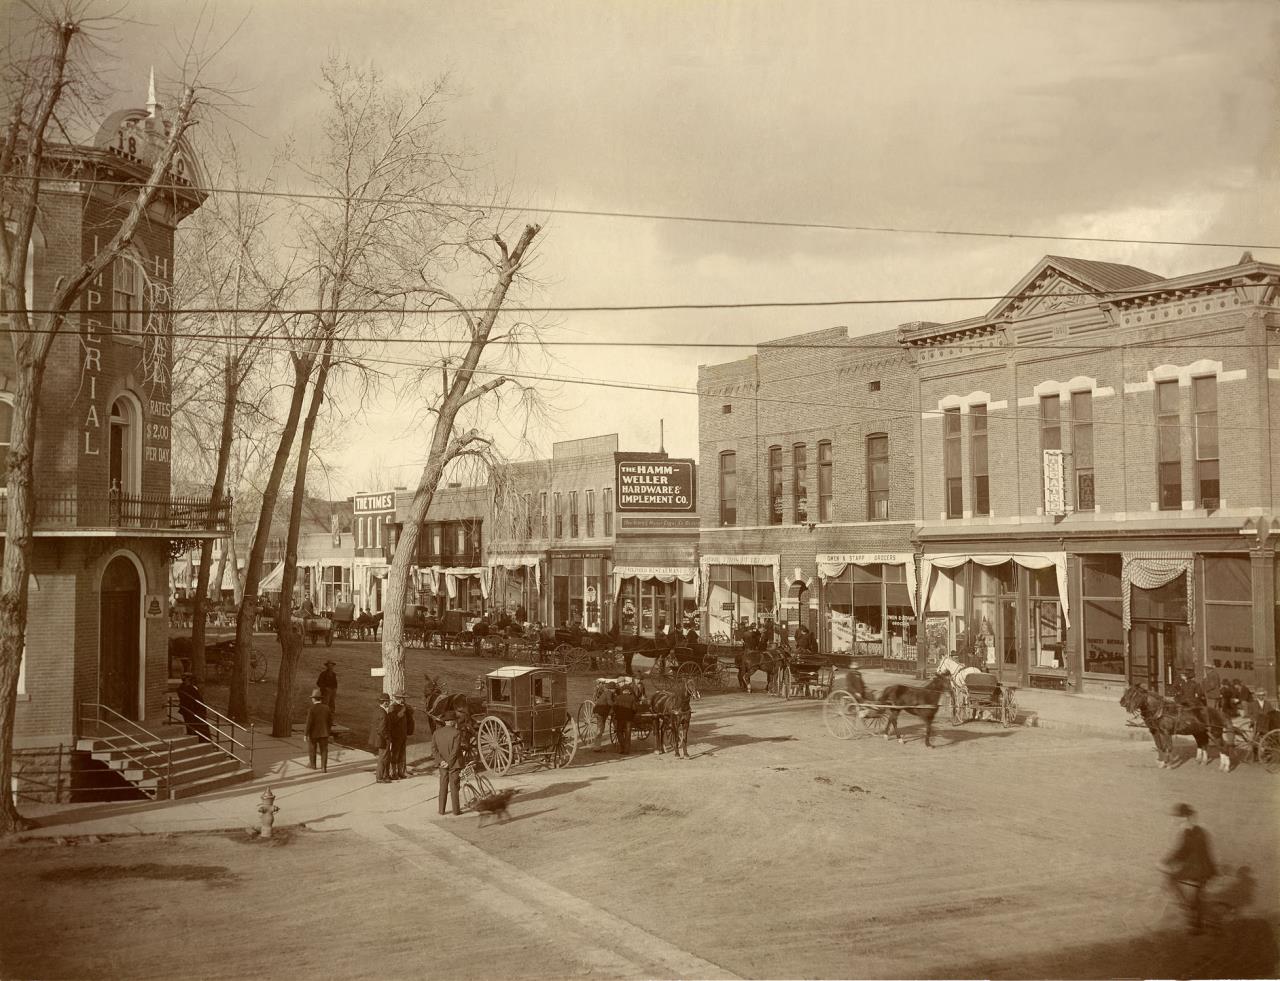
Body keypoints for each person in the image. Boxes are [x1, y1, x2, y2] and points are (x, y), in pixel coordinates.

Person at [1161, 802, 1216, 935]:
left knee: (1172, 879)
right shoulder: (1197, 830)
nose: (1175, 820)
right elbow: (1186, 852)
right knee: (1197, 896)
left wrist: (1165, 862)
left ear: (1184, 817)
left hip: (1198, 868)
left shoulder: (1189, 832)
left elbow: (1182, 851)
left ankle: (1191, 914)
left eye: (1178, 817)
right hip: (1205, 868)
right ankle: (1196, 922)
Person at [432, 710, 463, 816]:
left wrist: (441, 761)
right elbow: (455, 750)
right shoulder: (456, 733)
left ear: (445, 721)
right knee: (454, 787)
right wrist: (449, 763)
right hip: (454, 764)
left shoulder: (436, 733)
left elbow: (434, 750)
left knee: (443, 786)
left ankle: (441, 810)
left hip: (442, 765)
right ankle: (456, 811)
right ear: (452, 721)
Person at [176, 673, 210, 742]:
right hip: (192, 710)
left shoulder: (190, 687)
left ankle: (203, 739)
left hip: (196, 709)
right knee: (194, 724)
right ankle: (199, 738)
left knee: (199, 725)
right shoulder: (185, 688)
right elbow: (189, 699)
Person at [305, 688, 332, 772]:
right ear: (320, 698)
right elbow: (330, 721)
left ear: (313, 699)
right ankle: (324, 767)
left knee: (312, 748)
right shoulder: (326, 708)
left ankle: (313, 765)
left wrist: (305, 734)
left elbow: (308, 723)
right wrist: (328, 731)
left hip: (313, 733)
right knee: (324, 750)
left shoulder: (311, 709)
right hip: (324, 733)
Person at [386, 693, 411, 780]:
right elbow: (392, 720)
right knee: (395, 754)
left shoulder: (403, 706)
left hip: (403, 735)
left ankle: (400, 772)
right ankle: (393, 773)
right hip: (396, 735)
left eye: (404, 698)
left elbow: (410, 716)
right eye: (402, 698)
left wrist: (408, 709)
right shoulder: (392, 707)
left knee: (402, 754)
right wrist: (402, 712)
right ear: (397, 698)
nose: (403, 700)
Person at [369, 693, 392, 783]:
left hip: (378, 739)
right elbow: (382, 730)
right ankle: (379, 777)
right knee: (383, 758)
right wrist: (388, 738)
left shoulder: (377, 710)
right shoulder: (383, 714)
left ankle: (383, 776)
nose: (389, 703)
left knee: (382, 757)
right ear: (385, 702)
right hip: (383, 739)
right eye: (388, 701)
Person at [612, 677, 638, 755]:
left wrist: (617, 714)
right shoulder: (632, 698)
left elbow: (615, 707)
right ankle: (627, 750)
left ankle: (622, 747)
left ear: (623, 691)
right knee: (628, 733)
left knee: (619, 732)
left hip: (620, 718)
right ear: (629, 691)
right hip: (628, 719)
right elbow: (635, 709)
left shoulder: (618, 697)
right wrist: (632, 715)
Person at [592, 681, 615, 751]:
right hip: (600, 713)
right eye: (614, 688)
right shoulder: (609, 693)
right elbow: (610, 702)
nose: (615, 690)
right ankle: (596, 747)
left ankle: (597, 746)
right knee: (600, 729)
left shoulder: (607, 692)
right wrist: (617, 704)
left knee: (601, 728)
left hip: (601, 712)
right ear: (612, 689)